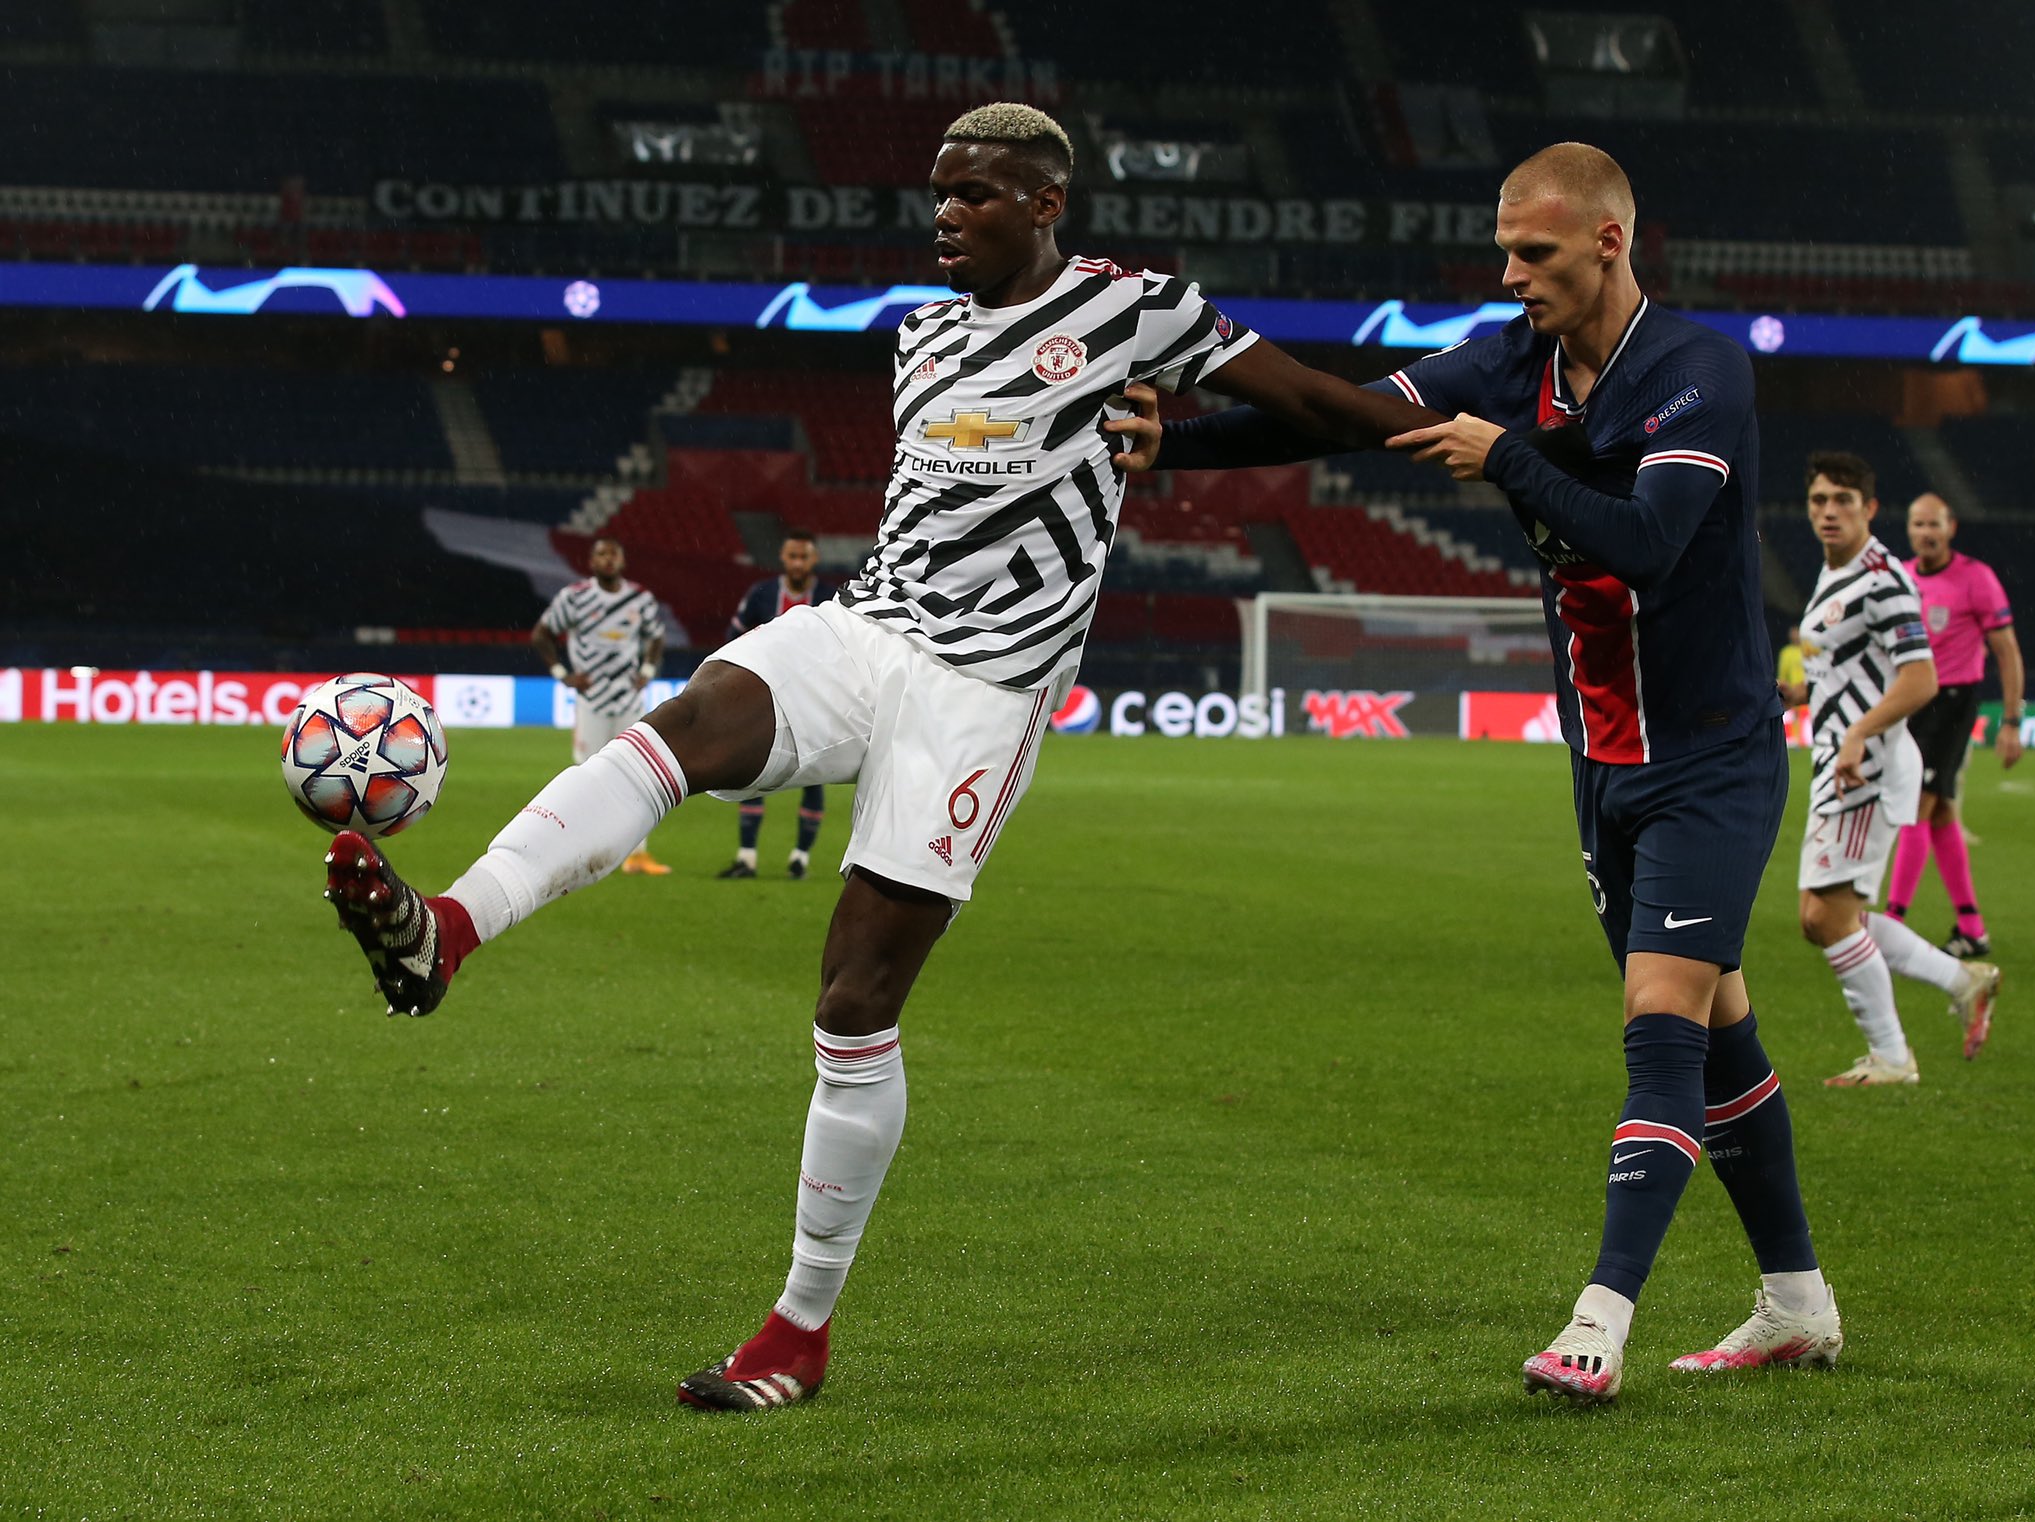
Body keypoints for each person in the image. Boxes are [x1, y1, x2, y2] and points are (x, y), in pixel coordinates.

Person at [317, 101, 1450, 1411]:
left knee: (854, 999)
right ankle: (445, 928)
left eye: (976, 193)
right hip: (871, 625)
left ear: (1044, 204)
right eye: (938, 191)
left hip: (987, 684)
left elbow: (1307, 400)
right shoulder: (918, 339)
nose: (946, 213)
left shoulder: (1137, 307)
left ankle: (799, 1329)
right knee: (683, 723)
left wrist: (1476, 449)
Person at [1137, 143, 1839, 1403]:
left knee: (1658, 1032)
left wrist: (1505, 459)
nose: (1509, 276)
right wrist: (1166, 444)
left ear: (1610, 245)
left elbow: (1648, 547)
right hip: (1600, 765)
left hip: (1709, 760)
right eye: (1503, 251)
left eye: (1535, 254)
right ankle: (1795, 1301)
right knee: (1720, 1029)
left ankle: (1597, 1319)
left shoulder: (1695, 376)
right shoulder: (1506, 361)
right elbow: (1340, 414)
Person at [1784, 457, 2001, 1085]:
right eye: (1819, 499)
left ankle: (1892, 1056)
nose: (1829, 511)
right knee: (1821, 917)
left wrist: (1856, 733)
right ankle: (1963, 979)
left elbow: (1921, 678)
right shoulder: (1835, 573)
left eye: (1844, 500)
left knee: (1826, 918)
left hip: (1866, 766)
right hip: (1843, 756)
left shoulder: (1883, 580)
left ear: (1870, 508)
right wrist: (1799, 697)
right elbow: (1852, 668)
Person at [1884, 492, 2026, 957]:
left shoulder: (1976, 579)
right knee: (1941, 813)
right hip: (1913, 702)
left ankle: (1891, 925)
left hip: (1953, 702)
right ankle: (1972, 927)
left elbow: (2006, 651)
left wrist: (2010, 721)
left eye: (1933, 525)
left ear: (1951, 529)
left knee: (1916, 806)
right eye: (1917, 525)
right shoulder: (1902, 577)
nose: (1925, 533)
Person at [531, 535, 670, 875]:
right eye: (602, 554)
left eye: (614, 553)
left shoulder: (640, 598)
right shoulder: (575, 597)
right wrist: (562, 673)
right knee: (588, 774)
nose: (608, 559)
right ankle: (581, 848)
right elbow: (541, 634)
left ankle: (637, 856)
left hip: (629, 698)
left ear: (622, 560)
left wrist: (648, 671)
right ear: (592, 562)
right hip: (592, 699)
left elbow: (656, 637)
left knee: (638, 772)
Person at [716, 531, 832, 880]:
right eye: (792, 556)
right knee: (752, 770)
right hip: (765, 699)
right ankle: (747, 858)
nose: (798, 563)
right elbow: (732, 638)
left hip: (816, 699)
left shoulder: (829, 599)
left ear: (814, 560)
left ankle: (800, 859)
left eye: (804, 557)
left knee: (814, 777)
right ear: (783, 558)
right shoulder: (762, 594)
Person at [1776, 623, 1808, 700]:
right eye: (1793, 632)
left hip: (1807, 691)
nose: (1795, 635)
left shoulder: (1809, 650)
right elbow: (1782, 673)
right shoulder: (1786, 652)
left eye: (1797, 631)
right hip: (1792, 693)